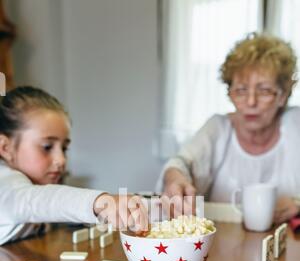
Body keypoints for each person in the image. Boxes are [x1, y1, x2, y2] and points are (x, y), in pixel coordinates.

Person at [160, 33, 300, 223]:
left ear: (283, 96)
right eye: (241, 90)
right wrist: (174, 179)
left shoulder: (294, 124)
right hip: (223, 245)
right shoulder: (218, 128)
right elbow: (180, 163)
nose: (251, 101)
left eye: (264, 90)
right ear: (230, 94)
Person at [0, 86, 148, 245]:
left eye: (64, 148)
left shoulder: (36, 182)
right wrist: (101, 202)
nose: (61, 159)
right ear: (5, 148)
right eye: (47, 147)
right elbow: (38, 201)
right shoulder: (6, 185)